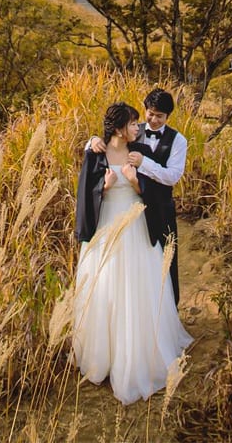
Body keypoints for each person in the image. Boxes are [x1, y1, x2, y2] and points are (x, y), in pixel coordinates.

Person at [73, 102, 192, 405]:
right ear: (118, 129)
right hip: (106, 228)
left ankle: (139, 356)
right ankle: (106, 357)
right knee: (106, 287)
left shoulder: (140, 152)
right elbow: (85, 192)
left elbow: (154, 190)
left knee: (139, 288)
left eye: (140, 123)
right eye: (133, 124)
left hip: (135, 225)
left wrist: (137, 181)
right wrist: (105, 186)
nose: (139, 128)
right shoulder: (95, 152)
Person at [88, 87, 187, 306]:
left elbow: (172, 176)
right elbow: (107, 142)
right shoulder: (130, 128)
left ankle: (167, 313)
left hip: (161, 206)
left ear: (168, 116)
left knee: (166, 262)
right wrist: (93, 139)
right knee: (135, 267)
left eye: (159, 116)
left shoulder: (178, 140)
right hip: (134, 208)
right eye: (150, 114)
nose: (153, 120)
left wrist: (145, 163)